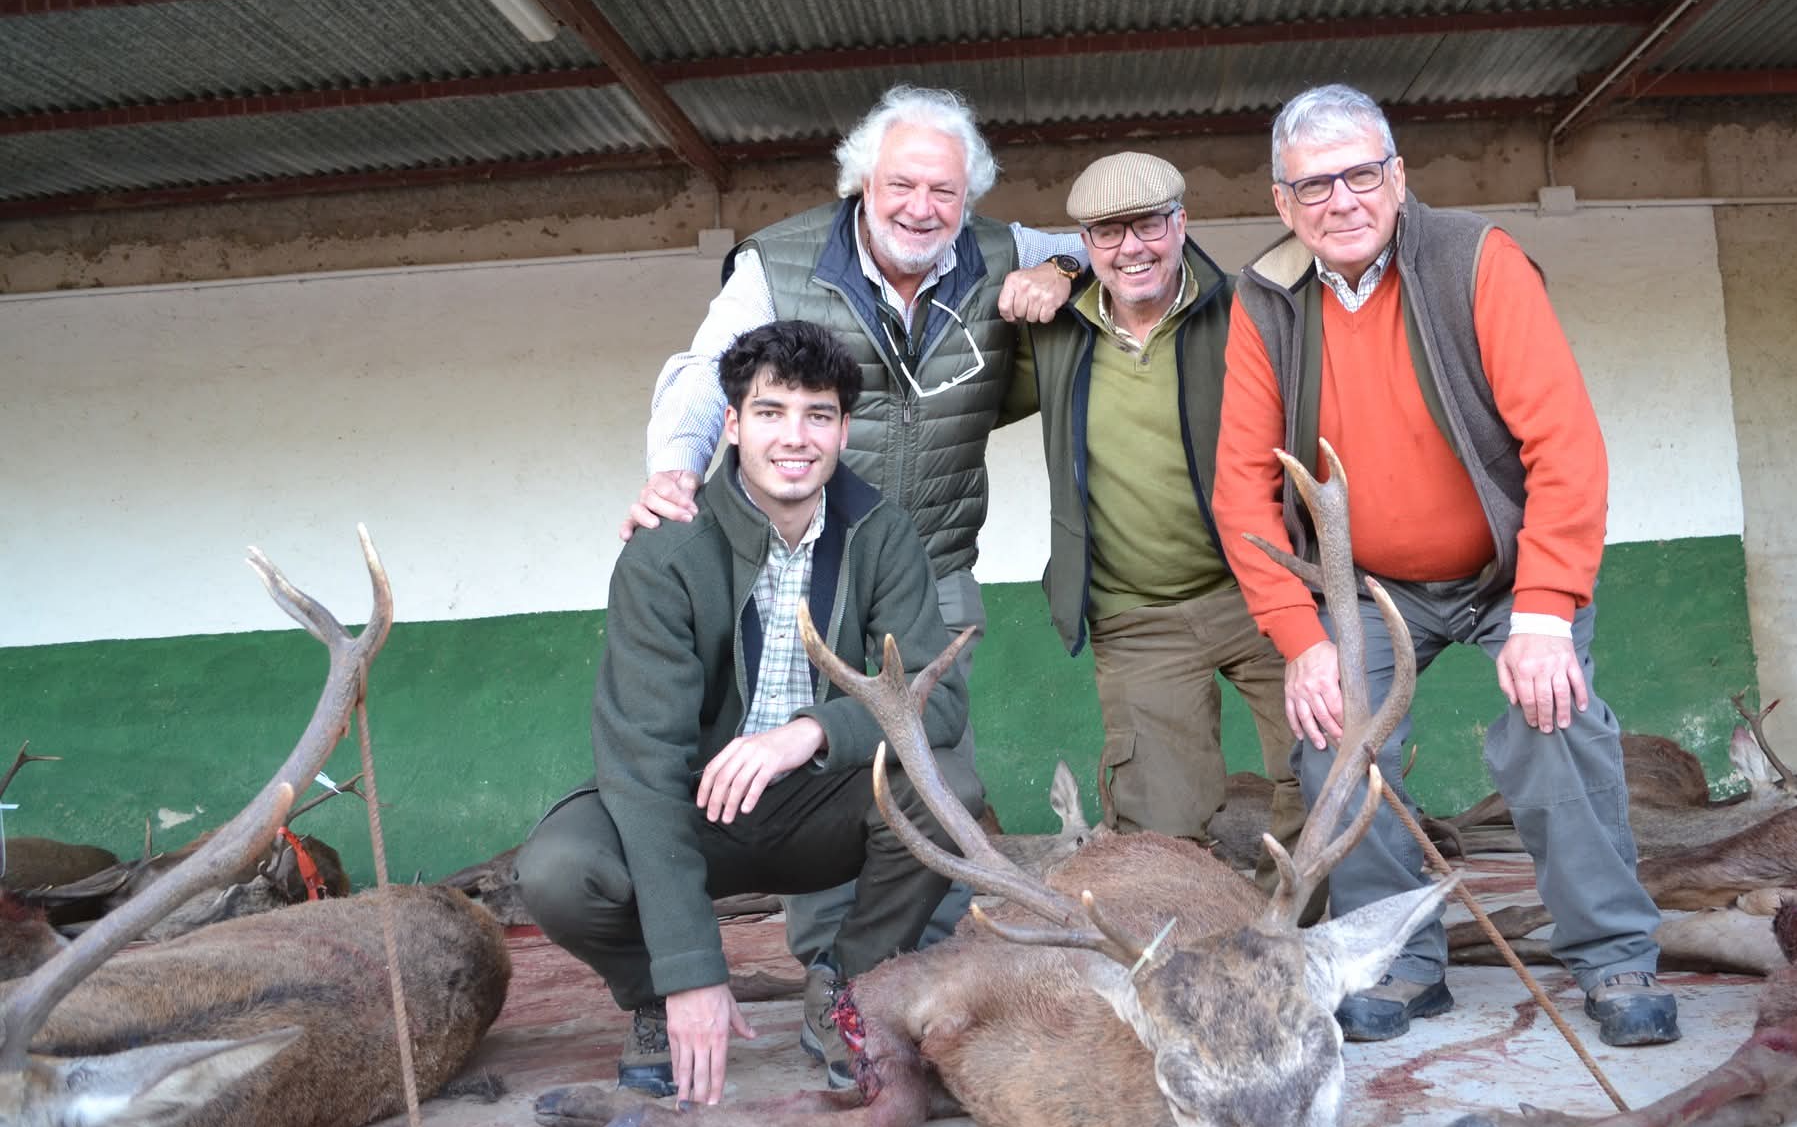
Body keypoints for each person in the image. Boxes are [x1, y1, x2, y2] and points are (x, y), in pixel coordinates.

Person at [1211, 84, 1678, 1048]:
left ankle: (1612, 954)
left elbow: (1566, 446)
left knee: (1555, 719)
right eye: (1315, 185)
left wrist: (1545, 609)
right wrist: (1302, 639)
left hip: (1509, 572)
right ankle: (1400, 958)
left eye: (1361, 174)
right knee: (1337, 736)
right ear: (1282, 202)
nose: (1342, 200)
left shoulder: (1477, 259)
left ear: (1398, 175)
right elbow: (1240, 491)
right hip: (1368, 588)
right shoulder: (1267, 298)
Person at [621, 85, 1079, 1000]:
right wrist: (675, 467)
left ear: (968, 197)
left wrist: (1063, 270)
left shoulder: (998, 249)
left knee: (934, 771)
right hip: (808, 566)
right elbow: (705, 374)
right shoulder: (779, 262)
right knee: (818, 760)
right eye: (902, 184)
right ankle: (833, 973)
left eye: (944, 191)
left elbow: (1107, 245)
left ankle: (925, 973)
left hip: (933, 567)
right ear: (863, 181)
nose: (922, 208)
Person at [519, 319, 981, 1104]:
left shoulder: (882, 533)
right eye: (771, 412)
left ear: (843, 429)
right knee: (560, 867)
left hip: (819, 804)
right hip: (696, 807)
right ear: (731, 425)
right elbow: (644, 768)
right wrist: (690, 971)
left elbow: (934, 705)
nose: (795, 437)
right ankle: (657, 1001)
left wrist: (809, 733)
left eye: (818, 414)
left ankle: (848, 990)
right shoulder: (664, 551)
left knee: (949, 795)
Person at [1003, 151, 1303, 858]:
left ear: (1181, 223)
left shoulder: (1248, 312)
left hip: (1263, 592)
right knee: (1157, 843)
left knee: (1330, 775)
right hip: (1138, 619)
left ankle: (1288, 919)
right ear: (1084, 243)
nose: (1131, 247)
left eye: (1148, 225)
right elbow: (951, 393)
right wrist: (1057, 272)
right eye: (1107, 232)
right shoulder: (1055, 334)